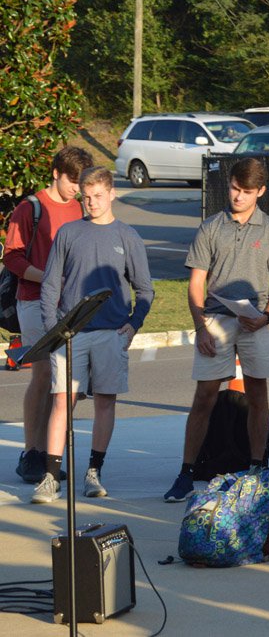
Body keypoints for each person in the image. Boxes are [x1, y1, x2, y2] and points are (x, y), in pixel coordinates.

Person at [163, 159, 269, 503]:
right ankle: (186, 472)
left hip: (256, 321)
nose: (238, 196)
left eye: (246, 191)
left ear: (260, 192)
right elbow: (195, 284)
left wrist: (265, 317)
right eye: (235, 188)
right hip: (216, 321)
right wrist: (199, 327)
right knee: (204, 396)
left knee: (258, 396)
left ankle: (256, 468)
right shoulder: (210, 227)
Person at [32, 167, 154, 503]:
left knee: (105, 402)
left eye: (98, 196)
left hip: (111, 333)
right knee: (62, 402)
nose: (91, 203)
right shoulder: (69, 233)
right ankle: (51, 476)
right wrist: (52, 326)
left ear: (112, 193)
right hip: (70, 333)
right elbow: (51, 284)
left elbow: (144, 288)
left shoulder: (128, 236)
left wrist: (134, 323)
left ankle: (93, 471)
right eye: (86, 197)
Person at [4, 146, 92, 484]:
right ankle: (32, 453)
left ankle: (49, 452)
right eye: (72, 181)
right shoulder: (31, 208)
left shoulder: (80, 207)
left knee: (66, 385)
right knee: (42, 377)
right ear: (56, 173)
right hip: (33, 300)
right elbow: (12, 257)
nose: (76, 189)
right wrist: (47, 277)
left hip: (69, 304)